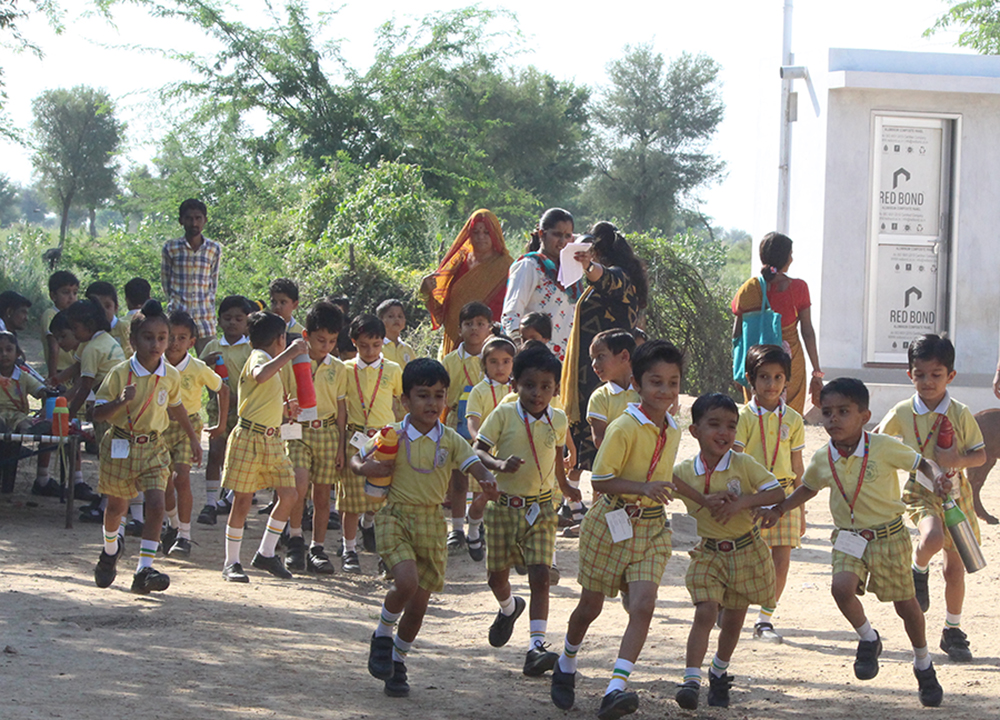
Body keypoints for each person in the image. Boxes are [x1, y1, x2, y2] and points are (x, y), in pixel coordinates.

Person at [760, 378, 947, 707]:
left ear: (864, 415)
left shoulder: (883, 447)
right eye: (827, 412)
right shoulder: (823, 457)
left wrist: (938, 477)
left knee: (906, 607)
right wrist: (779, 509)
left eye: (843, 411)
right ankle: (868, 638)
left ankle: (923, 663)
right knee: (840, 588)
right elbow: (808, 487)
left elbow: (922, 463)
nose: (833, 419)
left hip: (888, 537)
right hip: (848, 537)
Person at [549, 341, 682, 718]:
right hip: (610, 522)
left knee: (643, 605)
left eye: (673, 383)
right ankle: (567, 661)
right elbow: (602, 482)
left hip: (652, 528)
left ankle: (615, 688)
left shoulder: (673, 428)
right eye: (656, 382)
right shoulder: (624, 425)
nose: (666, 391)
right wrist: (643, 489)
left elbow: (665, 475)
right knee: (589, 607)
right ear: (637, 384)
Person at [355, 358, 500, 697]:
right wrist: (365, 467)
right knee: (406, 582)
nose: (432, 403)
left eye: (438, 395)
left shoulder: (450, 439)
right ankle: (381, 635)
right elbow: (356, 457)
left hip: (433, 523)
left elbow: (474, 464)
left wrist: (488, 478)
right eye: (423, 396)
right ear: (405, 400)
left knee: (420, 603)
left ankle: (397, 661)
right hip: (396, 517)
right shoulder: (391, 433)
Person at [875, 335, 986, 662]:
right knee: (932, 536)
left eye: (936, 375)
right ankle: (917, 568)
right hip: (920, 489)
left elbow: (979, 455)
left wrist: (954, 462)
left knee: (955, 570)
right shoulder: (902, 411)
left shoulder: (961, 414)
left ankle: (953, 630)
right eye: (919, 374)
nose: (927, 382)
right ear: (910, 374)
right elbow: (878, 441)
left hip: (956, 493)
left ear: (950, 376)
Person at [672, 393, 785, 710]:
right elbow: (661, 476)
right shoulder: (684, 470)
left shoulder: (743, 463)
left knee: (734, 621)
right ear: (694, 431)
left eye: (731, 426)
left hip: (746, 551)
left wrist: (743, 503)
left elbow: (776, 491)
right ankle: (691, 681)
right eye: (714, 424)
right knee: (705, 611)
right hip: (708, 553)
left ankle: (719, 672)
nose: (724, 433)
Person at [474, 343, 580, 677]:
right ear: (515, 384)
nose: (537, 393)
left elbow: (557, 461)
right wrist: (499, 464)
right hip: (504, 507)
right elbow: (477, 450)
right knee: (497, 577)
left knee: (540, 576)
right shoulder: (503, 414)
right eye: (529, 385)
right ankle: (509, 608)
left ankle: (536, 646)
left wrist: (566, 488)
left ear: (555, 388)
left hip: (542, 510)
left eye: (546, 387)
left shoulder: (558, 419)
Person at [91, 300, 202, 594]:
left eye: (162, 338)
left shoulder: (171, 374)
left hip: (154, 446)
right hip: (120, 443)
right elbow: (97, 413)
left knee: (156, 503)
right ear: (133, 340)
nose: (156, 344)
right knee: (116, 508)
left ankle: (144, 568)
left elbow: (177, 407)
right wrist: (121, 401)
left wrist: (193, 438)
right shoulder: (119, 373)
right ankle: (110, 550)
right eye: (148, 337)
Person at [219, 311, 309, 582]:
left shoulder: (270, 360)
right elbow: (260, 376)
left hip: (272, 439)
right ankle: (231, 562)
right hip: (249, 438)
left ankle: (266, 553)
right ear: (280, 339)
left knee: (289, 494)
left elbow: (259, 397)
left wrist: (284, 409)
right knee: (243, 500)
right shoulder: (260, 357)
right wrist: (291, 354)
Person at [561, 222, 648, 498]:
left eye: (590, 252)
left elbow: (605, 278)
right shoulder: (614, 280)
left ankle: (595, 505)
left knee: (601, 436)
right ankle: (573, 503)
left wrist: (589, 267)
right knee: (587, 434)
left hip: (607, 367)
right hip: (595, 367)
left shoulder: (620, 278)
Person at [733, 345, 806, 643]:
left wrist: (800, 509)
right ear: (751, 379)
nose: (771, 384)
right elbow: (735, 461)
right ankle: (732, 605)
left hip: (785, 496)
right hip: (752, 496)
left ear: (787, 380)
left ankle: (765, 619)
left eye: (778, 377)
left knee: (781, 560)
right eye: (764, 377)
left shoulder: (795, 420)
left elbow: (798, 466)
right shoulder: (742, 417)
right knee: (745, 558)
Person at [279, 301, 348, 574]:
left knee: (323, 494)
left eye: (332, 341)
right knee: (298, 484)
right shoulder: (291, 362)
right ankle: (295, 539)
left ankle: (317, 548)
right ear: (306, 335)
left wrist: (341, 445)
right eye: (321, 340)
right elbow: (281, 397)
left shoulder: (339, 368)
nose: (326, 346)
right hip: (297, 431)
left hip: (328, 431)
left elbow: (341, 409)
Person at [159, 310, 229, 557]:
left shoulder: (198, 367)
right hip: (159, 426)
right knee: (163, 482)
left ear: (191, 342)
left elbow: (223, 389)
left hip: (188, 426)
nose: (175, 343)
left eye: (182, 338)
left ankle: (185, 536)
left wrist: (221, 425)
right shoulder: (155, 364)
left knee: (182, 478)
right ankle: (173, 524)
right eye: (171, 337)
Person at [731, 231, 822, 413]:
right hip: (790, 362)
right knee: (789, 418)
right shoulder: (798, 288)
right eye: (790, 254)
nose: (792, 259)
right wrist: (816, 371)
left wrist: (737, 368)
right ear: (785, 257)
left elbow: (737, 334)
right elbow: (807, 332)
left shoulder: (749, 288)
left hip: (756, 363)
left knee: (757, 417)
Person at [340, 314, 404, 573]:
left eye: (376, 345)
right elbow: (341, 408)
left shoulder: (392, 369)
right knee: (352, 499)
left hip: (384, 440)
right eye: (364, 345)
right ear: (354, 342)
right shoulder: (344, 370)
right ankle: (349, 549)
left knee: (383, 498)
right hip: (355, 438)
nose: (370, 351)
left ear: (382, 343)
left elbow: (399, 404)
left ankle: (384, 550)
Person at [422, 208, 513, 358]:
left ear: (495, 235)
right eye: (475, 232)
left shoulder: (507, 266)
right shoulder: (458, 262)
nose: (480, 237)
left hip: (490, 345)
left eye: (486, 232)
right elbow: (442, 305)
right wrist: (426, 290)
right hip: (455, 337)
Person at [197, 296, 254, 524]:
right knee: (216, 452)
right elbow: (196, 373)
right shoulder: (213, 346)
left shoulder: (250, 348)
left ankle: (233, 500)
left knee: (240, 457)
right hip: (217, 408)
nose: (232, 323)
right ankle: (211, 503)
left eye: (238, 319)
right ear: (219, 321)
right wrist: (206, 363)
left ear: (247, 322)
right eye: (227, 318)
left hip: (243, 410)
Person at [441, 301, 492, 552]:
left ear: (490, 328)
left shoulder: (495, 358)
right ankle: (457, 528)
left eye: (480, 324)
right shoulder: (449, 361)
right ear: (459, 329)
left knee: (485, 477)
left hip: (487, 424)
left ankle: (478, 521)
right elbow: (441, 395)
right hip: (456, 423)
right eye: (469, 324)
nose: (474, 329)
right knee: (458, 480)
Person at [501, 207, 583, 361]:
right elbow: (512, 312)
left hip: (565, 360)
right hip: (533, 359)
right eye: (557, 235)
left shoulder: (572, 271)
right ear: (542, 234)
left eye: (567, 236)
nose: (562, 242)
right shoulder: (529, 266)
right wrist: (519, 349)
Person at [465, 335, 517, 561]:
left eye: (506, 361)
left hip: (510, 453)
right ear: (484, 363)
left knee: (509, 497)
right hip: (485, 454)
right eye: (493, 361)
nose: (500, 367)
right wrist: (482, 442)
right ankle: (474, 527)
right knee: (483, 495)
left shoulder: (517, 390)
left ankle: (508, 540)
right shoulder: (479, 391)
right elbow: (472, 422)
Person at [161, 198, 222, 353]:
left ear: (205, 220)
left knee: (212, 362)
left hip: (205, 317)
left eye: (198, 218)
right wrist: (174, 302)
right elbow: (166, 282)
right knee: (174, 359)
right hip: (178, 314)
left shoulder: (213, 249)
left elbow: (213, 283)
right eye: (189, 218)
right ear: (181, 221)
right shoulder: (171, 247)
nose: (194, 223)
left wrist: (208, 303)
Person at [0, 331, 54, 496]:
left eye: (9, 349)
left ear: (17, 353)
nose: (4, 354)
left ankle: (28, 431)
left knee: (23, 423)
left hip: (18, 414)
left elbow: (40, 390)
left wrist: (47, 396)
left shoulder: (23, 376)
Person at [42, 270, 79, 379]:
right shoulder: (50, 314)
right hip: (59, 369)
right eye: (66, 292)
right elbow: (53, 346)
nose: (71, 297)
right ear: (53, 296)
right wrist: (53, 376)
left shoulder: (75, 317)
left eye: (75, 293)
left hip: (74, 370)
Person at [86, 281, 130, 354]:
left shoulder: (125, 328)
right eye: (97, 307)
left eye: (107, 306)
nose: (102, 311)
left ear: (116, 308)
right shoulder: (86, 332)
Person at [377, 299, 415, 371]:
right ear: (381, 320)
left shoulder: (407, 349)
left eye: (400, 316)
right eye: (391, 316)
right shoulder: (377, 347)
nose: (396, 319)